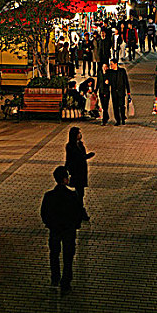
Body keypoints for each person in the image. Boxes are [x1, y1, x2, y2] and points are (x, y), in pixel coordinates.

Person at [40, 166, 83, 296]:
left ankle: (55, 277)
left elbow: (44, 213)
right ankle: (66, 281)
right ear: (65, 179)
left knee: (54, 254)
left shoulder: (49, 195)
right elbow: (78, 212)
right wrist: (75, 225)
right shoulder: (72, 195)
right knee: (68, 256)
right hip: (68, 230)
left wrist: (50, 224)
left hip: (55, 230)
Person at [65, 127, 95, 221]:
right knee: (79, 193)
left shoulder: (80, 144)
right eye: (78, 133)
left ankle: (79, 210)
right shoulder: (70, 146)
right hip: (76, 171)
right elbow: (74, 158)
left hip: (82, 171)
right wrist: (87, 156)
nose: (80, 135)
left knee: (80, 193)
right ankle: (80, 211)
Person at [109, 59, 131, 126]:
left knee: (121, 106)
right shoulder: (110, 72)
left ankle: (123, 119)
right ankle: (117, 120)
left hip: (121, 92)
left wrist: (128, 91)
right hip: (114, 92)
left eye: (112, 64)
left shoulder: (122, 71)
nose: (111, 66)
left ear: (116, 64)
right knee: (115, 107)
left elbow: (126, 81)